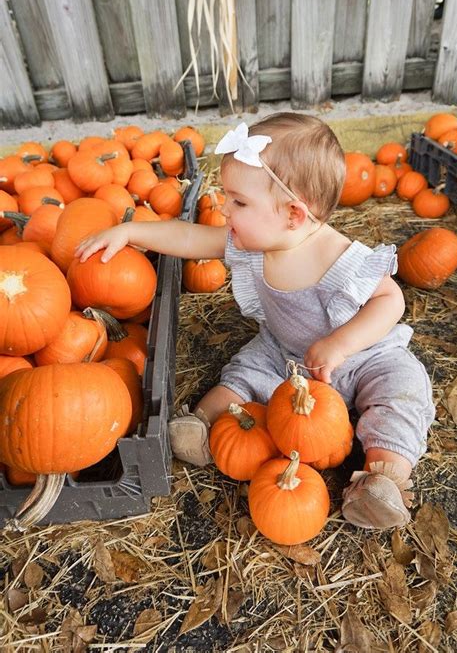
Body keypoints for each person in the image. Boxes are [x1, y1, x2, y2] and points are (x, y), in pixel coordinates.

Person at [75, 113, 435, 530]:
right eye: (228, 198)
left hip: (366, 356)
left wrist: (342, 343)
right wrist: (131, 233)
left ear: (294, 214)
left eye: (239, 202)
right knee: (246, 370)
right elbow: (190, 238)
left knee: (402, 388)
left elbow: (391, 301)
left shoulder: (340, 258)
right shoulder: (252, 244)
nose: (225, 209)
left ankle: (383, 478)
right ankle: (202, 423)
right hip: (287, 354)